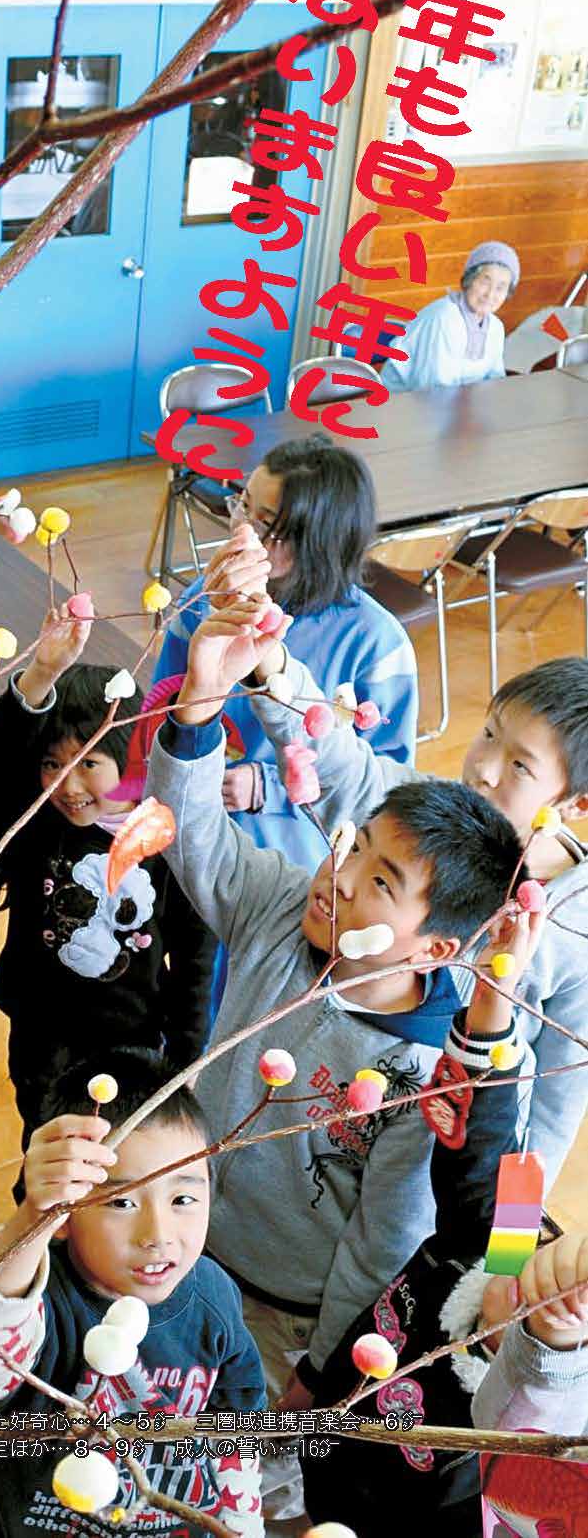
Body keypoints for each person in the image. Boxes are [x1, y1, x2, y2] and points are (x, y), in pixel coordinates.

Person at [147, 589, 522, 1533]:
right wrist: (199, 702)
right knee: (151, 1436)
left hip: (284, 1315)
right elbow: (193, 838)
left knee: (239, 1482)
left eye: (379, 883)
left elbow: (380, 1242)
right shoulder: (284, 907)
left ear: (436, 948)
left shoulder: (419, 1071)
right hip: (180, 1248)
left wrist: (319, 1369)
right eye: (352, 848)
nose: (339, 876)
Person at [240, 515, 588, 1186]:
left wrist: (510, 1229)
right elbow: (340, 763)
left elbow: (554, 1100)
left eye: (519, 765)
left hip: (444, 1166)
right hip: (328, 1101)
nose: (482, 767)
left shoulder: (575, 936)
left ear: (576, 804)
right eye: (488, 734)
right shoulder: (427, 810)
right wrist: (273, 665)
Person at [0, 1048, 266, 1536]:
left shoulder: (214, 1297)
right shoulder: (40, 1301)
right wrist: (34, 1216)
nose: (158, 1234)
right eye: (122, 1202)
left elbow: (237, 1424)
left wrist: (240, 1521)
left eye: (183, 1198)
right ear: (65, 1215)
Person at [301, 904, 542, 1535]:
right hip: (311, 1435)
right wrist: (493, 1002)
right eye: (567, 1275)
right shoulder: (508, 1239)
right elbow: (482, 1141)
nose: (556, 1294)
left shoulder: (521, 1440)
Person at [0, 609, 211, 1144]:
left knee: (116, 1153)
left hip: (130, 1041)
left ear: (131, 761)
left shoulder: (164, 840)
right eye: (52, 764)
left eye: (88, 763)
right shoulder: (38, 824)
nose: (69, 785)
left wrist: (187, 1054)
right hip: (41, 1035)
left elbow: (195, 956)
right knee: (43, 1142)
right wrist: (40, 674)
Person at [153, 433, 417, 874]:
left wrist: (269, 787)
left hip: (296, 863)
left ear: (318, 543)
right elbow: (158, 712)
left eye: (266, 525)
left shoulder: (377, 645)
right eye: (243, 505)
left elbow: (387, 794)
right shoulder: (206, 598)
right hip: (189, 835)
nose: (241, 531)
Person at [471, 1231, 588, 1529]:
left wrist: (556, 1325)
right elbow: (509, 1228)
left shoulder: (504, 1411)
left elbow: (534, 1406)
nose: (530, 1290)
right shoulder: (483, 1261)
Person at [382, 240, 520, 392]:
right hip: (403, 402)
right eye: (484, 282)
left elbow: (495, 381)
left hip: (458, 401)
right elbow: (431, 389)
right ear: (469, 280)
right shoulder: (443, 318)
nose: (490, 294)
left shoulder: (496, 327)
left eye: (501, 287)